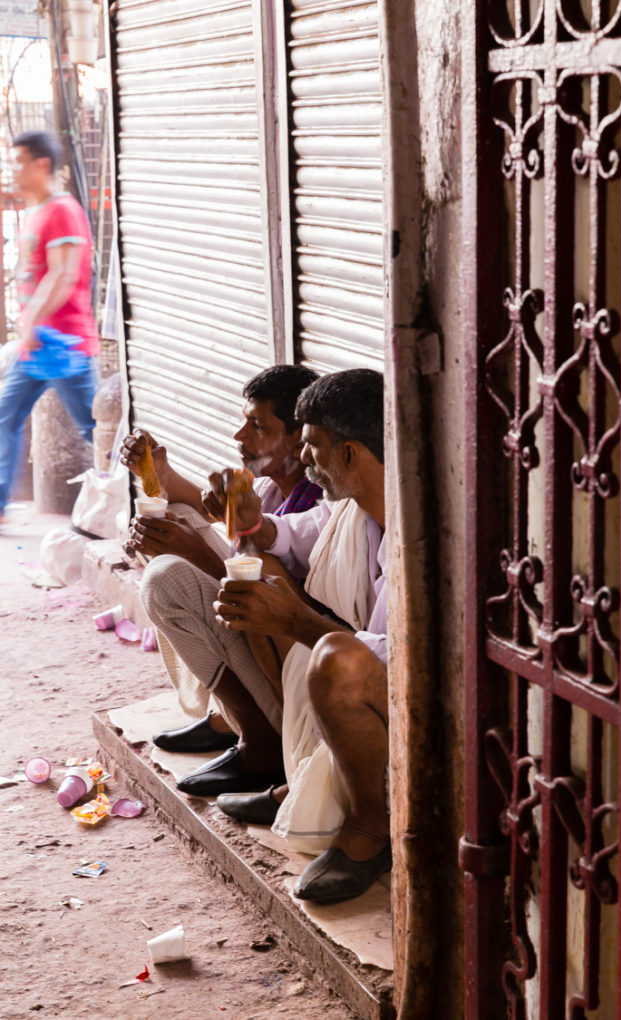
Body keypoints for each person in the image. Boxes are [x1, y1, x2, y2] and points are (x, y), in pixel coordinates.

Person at [212, 369, 389, 904]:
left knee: (337, 655)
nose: (305, 462)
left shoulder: (425, 527)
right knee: (261, 575)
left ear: (352, 454)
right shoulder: (353, 511)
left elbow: (407, 662)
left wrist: (297, 621)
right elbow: (301, 532)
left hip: (433, 702)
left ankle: (368, 829)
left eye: (311, 446)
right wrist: (257, 525)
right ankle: (303, 774)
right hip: (377, 678)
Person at [122, 364, 322, 757]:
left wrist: (193, 552)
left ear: (299, 437)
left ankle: (258, 734)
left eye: (258, 427)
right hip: (263, 617)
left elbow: (274, 596)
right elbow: (203, 506)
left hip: (298, 660)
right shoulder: (271, 485)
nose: (239, 437)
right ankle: (227, 714)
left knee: (169, 577)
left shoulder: (321, 506)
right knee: (176, 512)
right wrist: (159, 472)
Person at [0, 131, 99, 524]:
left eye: (20, 160)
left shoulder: (62, 210)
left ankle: (143, 491)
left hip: (64, 342)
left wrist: (32, 322)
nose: (14, 169)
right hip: (39, 343)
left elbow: (63, 275)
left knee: (95, 426)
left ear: (42, 164)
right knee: (4, 416)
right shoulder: (38, 210)